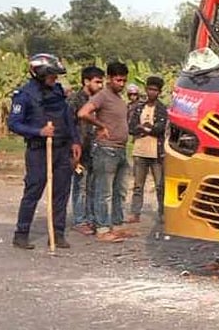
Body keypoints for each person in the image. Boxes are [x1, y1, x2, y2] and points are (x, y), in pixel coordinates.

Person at [7, 53, 81, 250]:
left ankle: (57, 234)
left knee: (61, 193)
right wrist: (39, 132)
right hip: (39, 150)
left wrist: (75, 141)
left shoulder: (57, 92)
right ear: (39, 73)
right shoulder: (24, 95)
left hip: (62, 149)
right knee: (33, 191)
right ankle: (21, 234)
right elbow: (13, 124)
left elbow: (68, 118)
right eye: (51, 75)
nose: (55, 79)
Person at [79, 62, 132, 243]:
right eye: (118, 80)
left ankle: (117, 225)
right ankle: (102, 228)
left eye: (124, 80)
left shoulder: (119, 98)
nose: (122, 84)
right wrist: (100, 126)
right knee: (104, 191)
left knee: (120, 190)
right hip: (106, 149)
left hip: (121, 149)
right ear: (110, 78)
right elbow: (83, 113)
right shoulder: (103, 96)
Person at [69, 66, 104, 235]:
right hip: (79, 149)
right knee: (80, 185)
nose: (100, 85)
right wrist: (72, 147)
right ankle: (79, 220)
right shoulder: (75, 100)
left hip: (94, 148)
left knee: (92, 185)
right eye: (97, 82)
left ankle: (90, 218)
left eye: (101, 82)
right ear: (86, 81)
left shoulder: (98, 101)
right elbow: (69, 125)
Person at [128, 75, 167, 224]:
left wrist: (144, 129)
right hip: (140, 151)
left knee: (159, 185)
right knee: (138, 185)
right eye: (150, 89)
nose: (152, 92)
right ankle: (135, 213)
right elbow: (132, 127)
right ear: (146, 90)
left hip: (156, 153)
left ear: (159, 92)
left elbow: (160, 129)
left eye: (155, 90)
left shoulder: (162, 109)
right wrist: (148, 128)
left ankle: (162, 213)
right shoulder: (139, 108)